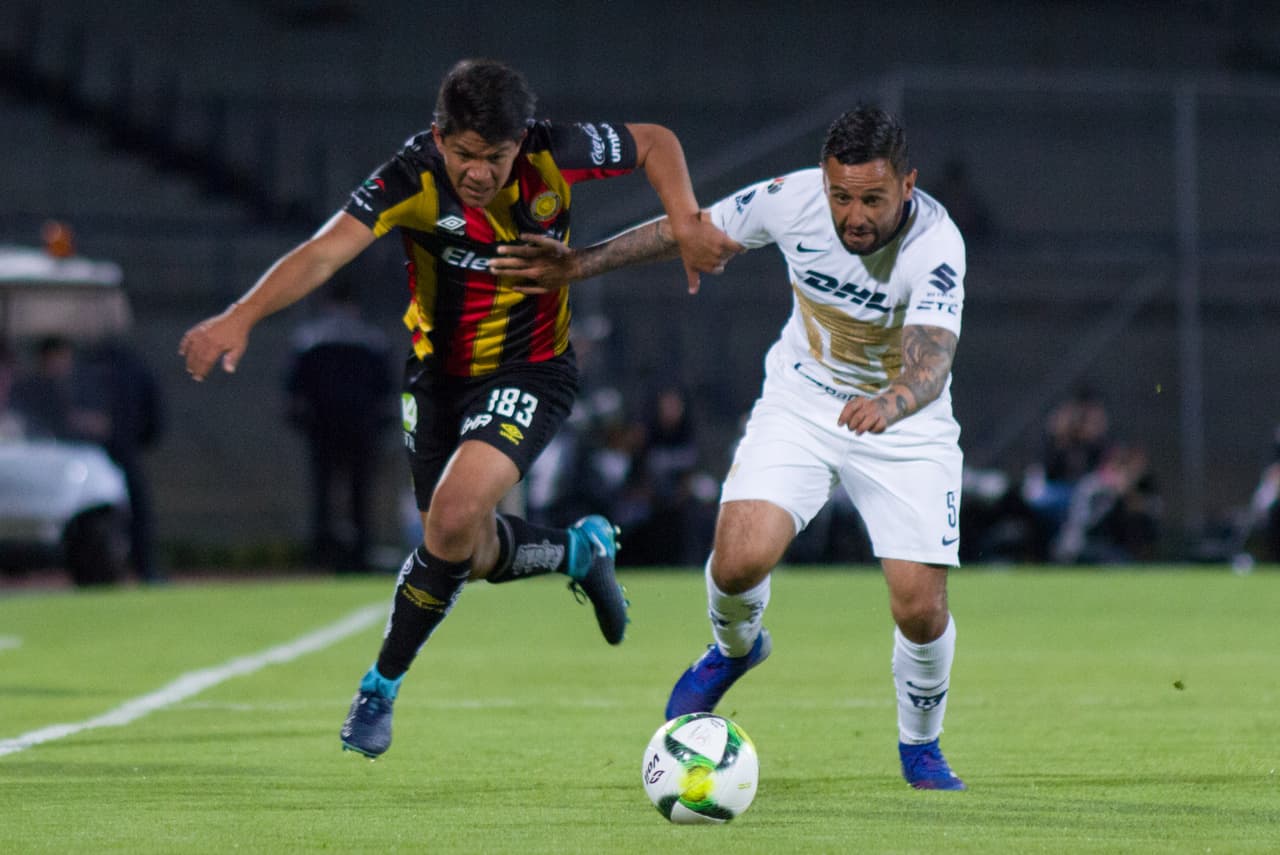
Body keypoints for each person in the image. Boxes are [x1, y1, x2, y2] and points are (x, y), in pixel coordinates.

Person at [178, 58, 741, 760]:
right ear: (439, 136)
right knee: (460, 550)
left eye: (495, 157)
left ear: (520, 141)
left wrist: (685, 220)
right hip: (438, 381)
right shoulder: (409, 176)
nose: (478, 172)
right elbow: (324, 254)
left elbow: (656, 140)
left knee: (447, 519)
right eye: (464, 155)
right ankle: (579, 549)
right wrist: (242, 315)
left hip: (533, 368)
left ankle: (379, 685)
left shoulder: (553, 152)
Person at [492, 106, 969, 790]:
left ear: (908, 185)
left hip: (905, 423)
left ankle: (920, 747)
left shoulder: (937, 244)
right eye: (841, 196)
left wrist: (888, 403)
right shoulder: (792, 198)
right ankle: (732, 649)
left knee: (918, 606)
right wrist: (575, 265)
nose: (853, 214)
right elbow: (690, 228)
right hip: (801, 402)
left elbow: (931, 364)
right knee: (738, 559)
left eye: (872, 198)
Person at [284, 275, 395, 572]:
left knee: (323, 491)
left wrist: (301, 420)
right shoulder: (371, 339)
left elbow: (295, 388)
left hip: (323, 426)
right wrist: (381, 422)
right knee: (361, 491)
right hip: (361, 425)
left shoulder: (310, 339)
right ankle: (361, 553)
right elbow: (384, 389)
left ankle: (322, 554)